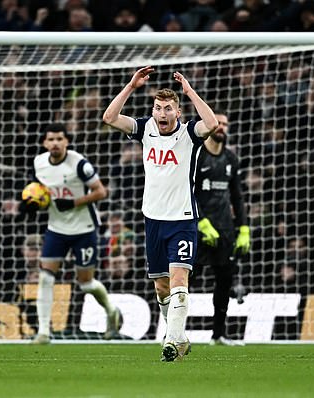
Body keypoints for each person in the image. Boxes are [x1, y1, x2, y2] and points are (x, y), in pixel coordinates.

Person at [102, 66, 219, 361]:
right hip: (152, 219)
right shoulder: (145, 129)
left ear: (177, 113)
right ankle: (178, 338)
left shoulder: (190, 133)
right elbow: (109, 118)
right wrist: (131, 86)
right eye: (158, 108)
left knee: (180, 281)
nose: (162, 113)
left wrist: (189, 92)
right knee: (161, 287)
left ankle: (171, 341)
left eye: (168, 108)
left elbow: (213, 123)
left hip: (182, 219)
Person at [20, 122, 122, 344]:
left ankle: (112, 311)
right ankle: (44, 332)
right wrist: (31, 204)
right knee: (46, 277)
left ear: (66, 141)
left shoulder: (79, 164)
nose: (55, 143)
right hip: (56, 229)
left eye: (60, 139)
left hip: (84, 229)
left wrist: (74, 202)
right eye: (51, 139)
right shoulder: (39, 164)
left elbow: (101, 191)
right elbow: (40, 192)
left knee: (85, 283)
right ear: (44, 143)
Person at [193, 111, 250, 346]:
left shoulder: (231, 159)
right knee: (184, 281)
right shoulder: (196, 156)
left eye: (226, 124)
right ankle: (171, 331)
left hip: (225, 230)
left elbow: (237, 196)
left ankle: (218, 335)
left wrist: (244, 228)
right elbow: (187, 192)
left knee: (224, 282)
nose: (222, 127)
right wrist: (201, 221)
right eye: (218, 123)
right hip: (197, 229)